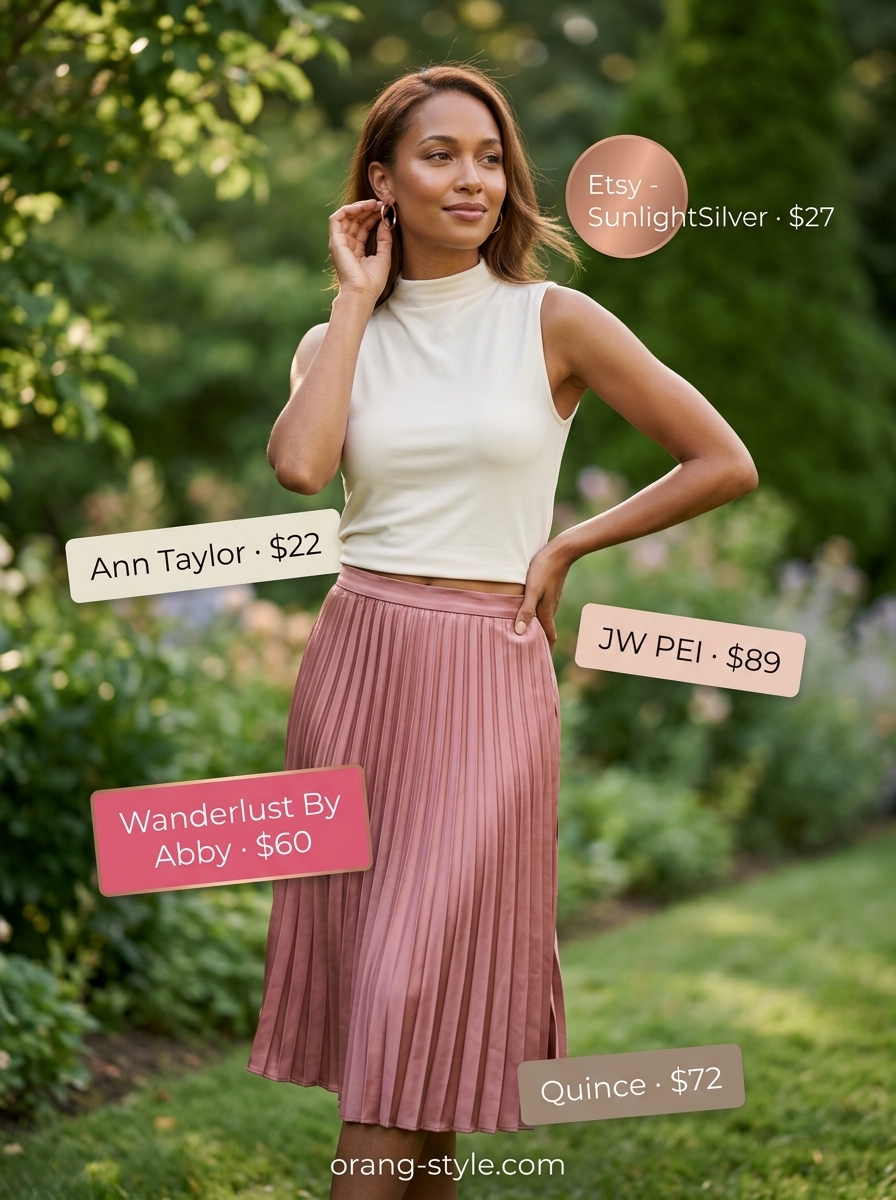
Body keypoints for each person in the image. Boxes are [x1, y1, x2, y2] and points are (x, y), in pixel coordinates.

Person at [247, 64, 757, 1200]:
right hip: (358, 666)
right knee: (398, 1019)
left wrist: (568, 545)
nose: (472, 178)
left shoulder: (552, 318)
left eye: (489, 157)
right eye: (438, 156)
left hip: (486, 673)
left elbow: (721, 460)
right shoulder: (335, 339)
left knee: (406, 990)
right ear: (380, 180)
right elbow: (300, 468)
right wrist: (351, 300)